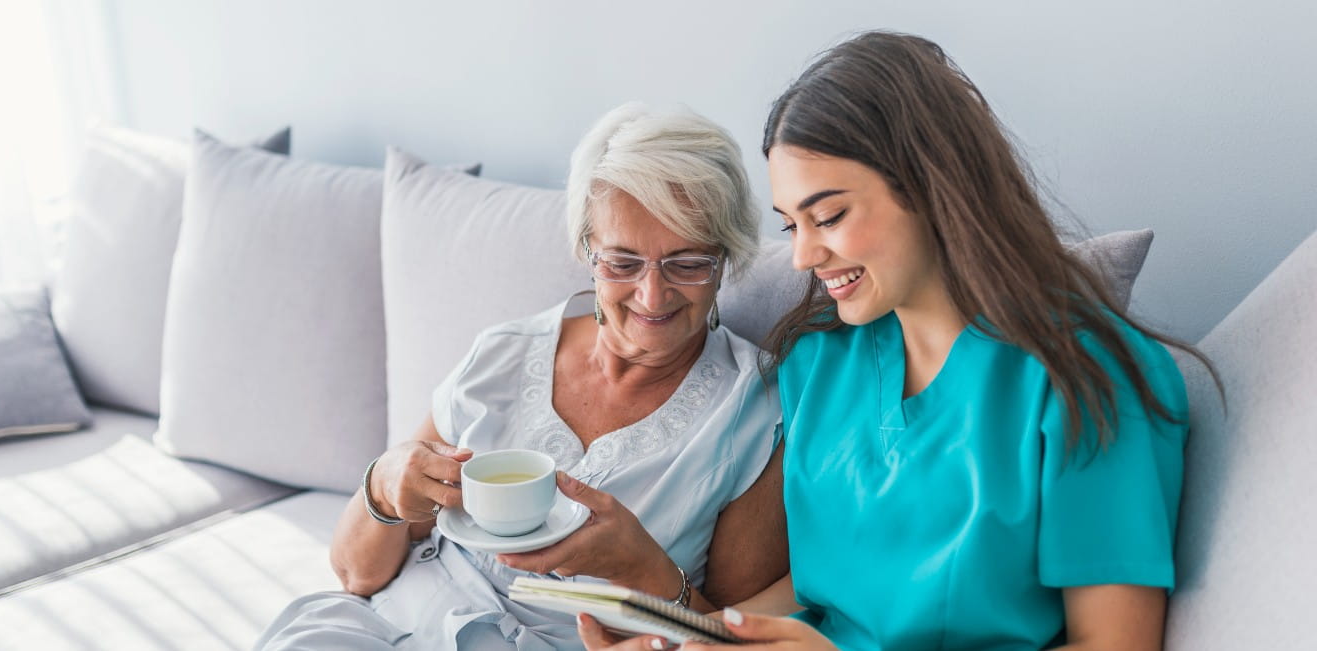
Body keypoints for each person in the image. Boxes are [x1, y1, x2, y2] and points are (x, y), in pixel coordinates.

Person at [581, 31, 1216, 651]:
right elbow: (814, 587)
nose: (803, 255)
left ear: (934, 186)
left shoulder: (1090, 376)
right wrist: (691, 636)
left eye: (828, 217)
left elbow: (1116, 642)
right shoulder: (817, 363)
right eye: (791, 225)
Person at [254, 102, 789, 650]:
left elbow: (734, 643)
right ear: (587, 252)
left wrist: (644, 570)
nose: (652, 295)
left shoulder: (755, 411)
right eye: (622, 263)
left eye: (687, 262)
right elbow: (354, 577)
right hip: (397, 624)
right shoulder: (504, 354)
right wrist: (384, 485)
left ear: (724, 258)